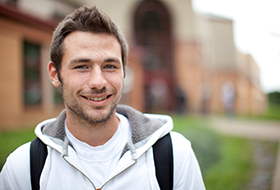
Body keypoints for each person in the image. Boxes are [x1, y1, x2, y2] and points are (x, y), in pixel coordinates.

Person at [0, 6, 205, 190]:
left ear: (124, 73)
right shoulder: (23, 168)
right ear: (55, 74)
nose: (98, 82)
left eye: (109, 66)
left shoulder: (174, 155)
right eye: (82, 66)